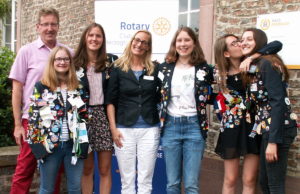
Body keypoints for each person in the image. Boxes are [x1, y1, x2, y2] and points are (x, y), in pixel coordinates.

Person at [8, 8, 68, 194]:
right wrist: (18, 125)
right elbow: (17, 90)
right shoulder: (26, 51)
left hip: (58, 121)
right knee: (24, 170)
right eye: (45, 24)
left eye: (53, 24)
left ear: (58, 26)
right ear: (38, 27)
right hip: (32, 121)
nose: (49, 28)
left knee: (55, 172)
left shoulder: (67, 53)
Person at [214, 34, 283, 194]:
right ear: (226, 53)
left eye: (239, 40)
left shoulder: (254, 66)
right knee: (230, 179)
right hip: (231, 128)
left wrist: (252, 56)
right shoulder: (218, 72)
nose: (240, 44)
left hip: (254, 127)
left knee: (249, 179)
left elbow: (277, 43)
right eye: (234, 43)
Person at [240, 28, 297, 194]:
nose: (244, 42)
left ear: (259, 41)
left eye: (249, 39)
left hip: (278, 130)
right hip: (267, 129)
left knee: (274, 185)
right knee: (265, 182)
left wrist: (273, 141)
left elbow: (278, 102)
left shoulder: (266, 64)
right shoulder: (257, 64)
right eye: (242, 39)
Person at [158, 26, 214, 194]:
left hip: (194, 127)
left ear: (194, 43)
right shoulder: (164, 68)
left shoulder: (205, 69)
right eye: (179, 40)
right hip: (171, 126)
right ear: (175, 44)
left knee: (191, 185)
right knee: (172, 184)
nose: (183, 44)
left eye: (187, 40)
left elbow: (215, 94)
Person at [27, 46, 89, 194]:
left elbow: (85, 117)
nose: (62, 62)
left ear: (70, 62)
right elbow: (33, 119)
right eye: (59, 59)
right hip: (49, 147)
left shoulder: (79, 87)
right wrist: (38, 148)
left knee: (75, 188)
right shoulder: (41, 87)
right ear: (52, 62)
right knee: (46, 189)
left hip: (73, 146)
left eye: (66, 59)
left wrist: (85, 143)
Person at [106, 30, 160, 194]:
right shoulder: (117, 68)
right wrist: (113, 129)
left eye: (144, 42)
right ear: (131, 42)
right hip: (124, 129)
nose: (139, 44)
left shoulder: (154, 69)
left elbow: (160, 97)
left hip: (149, 129)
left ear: (148, 47)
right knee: (127, 180)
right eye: (137, 40)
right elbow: (110, 102)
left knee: (145, 180)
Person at [73, 23, 118, 194]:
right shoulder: (74, 63)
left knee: (105, 169)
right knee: (86, 169)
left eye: (98, 36)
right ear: (85, 38)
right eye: (91, 35)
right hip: (83, 117)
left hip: (104, 116)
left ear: (103, 40)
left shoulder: (111, 62)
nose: (94, 39)